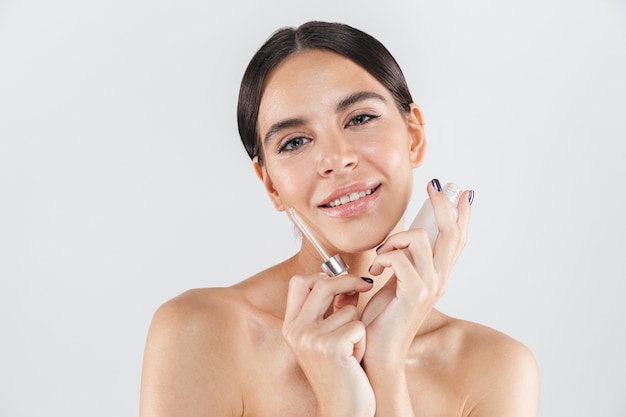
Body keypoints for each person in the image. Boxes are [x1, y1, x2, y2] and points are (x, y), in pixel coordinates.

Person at [139, 21, 540, 417]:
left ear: (414, 136)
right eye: (295, 142)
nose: (336, 159)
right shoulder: (201, 334)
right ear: (271, 186)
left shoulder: (497, 370)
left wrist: (386, 365)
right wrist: (340, 406)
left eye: (360, 119)